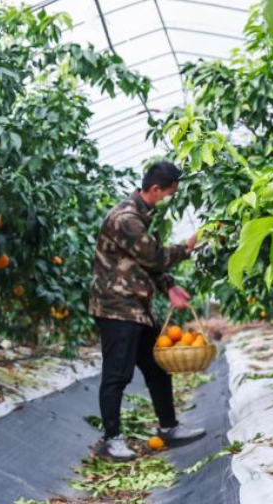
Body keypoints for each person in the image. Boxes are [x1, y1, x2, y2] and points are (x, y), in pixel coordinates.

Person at [89, 161, 206, 461]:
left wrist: (168, 286)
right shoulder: (126, 218)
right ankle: (111, 439)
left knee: (156, 368)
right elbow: (153, 256)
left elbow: (142, 263)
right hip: (117, 308)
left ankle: (168, 427)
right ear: (155, 189)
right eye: (168, 194)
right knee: (117, 374)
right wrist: (186, 249)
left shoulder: (139, 217)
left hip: (136, 308)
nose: (168, 199)